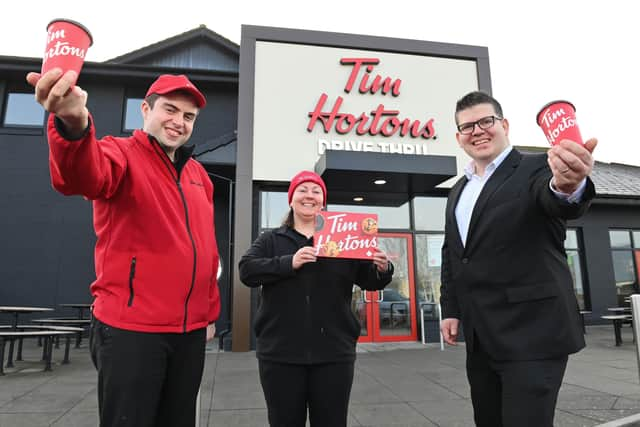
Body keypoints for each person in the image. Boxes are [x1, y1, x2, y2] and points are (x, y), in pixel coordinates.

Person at [26, 69, 221, 427]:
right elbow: (80, 175)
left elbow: (206, 251)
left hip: (189, 332)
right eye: (170, 110)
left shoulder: (198, 176)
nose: (179, 122)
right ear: (145, 111)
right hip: (133, 330)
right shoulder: (119, 153)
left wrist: (208, 314)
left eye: (188, 116)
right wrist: (73, 122)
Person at [439, 91, 597, 427]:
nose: (478, 130)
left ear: (504, 125)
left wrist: (569, 184)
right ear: (458, 137)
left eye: (486, 121)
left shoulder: (537, 167)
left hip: (533, 333)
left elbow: (557, 196)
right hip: (480, 339)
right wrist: (450, 309)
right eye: (468, 126)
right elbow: (453, 254)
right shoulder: (458, 189)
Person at [239, 170, 394, 427]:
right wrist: (290, 262)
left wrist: (382, 268)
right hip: (280, 355)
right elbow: (247, 271)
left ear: (323, 201)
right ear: (291, 199)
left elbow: (368, 280)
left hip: (334, 353)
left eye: (316, 191)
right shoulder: (271, 239)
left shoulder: (342, 240)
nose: (309, 195)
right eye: (302, 190)